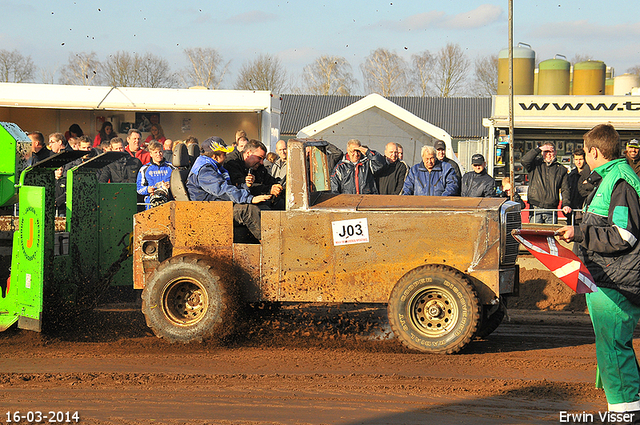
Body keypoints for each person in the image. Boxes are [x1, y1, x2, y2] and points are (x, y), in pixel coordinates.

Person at [557, 124, 640, 420]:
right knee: (613, 349)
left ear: (594, 151)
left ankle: (625, 413)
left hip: (616, 282)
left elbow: (624, 236)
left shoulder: (620, 181)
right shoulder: (611, 179)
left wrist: (579, 233)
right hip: (608, 278)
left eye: (584, 150)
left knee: (615, 351)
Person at [187, 137, 271, 241]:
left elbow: (227, 186)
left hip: (217, 204)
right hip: (209, 209)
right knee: (249, 211)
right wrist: (249, 198)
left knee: (262, 206)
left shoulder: (214, 166)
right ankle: (270, 245)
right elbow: (222, 189)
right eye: (224, 154)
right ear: (215, 156)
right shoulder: (205, 170)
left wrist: (245, 186)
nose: (227, 157)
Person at [521, 141, 571, 224]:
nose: (548, 154)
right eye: (545, 152)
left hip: (552, 209)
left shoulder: (561, 169)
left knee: (550, 235)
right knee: (535, 234)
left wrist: (566, 204)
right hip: (535, 207)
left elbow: (565, 189)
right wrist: (539, 149)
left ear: (555, 152)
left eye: (550, 151)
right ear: (542, 153)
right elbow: (524, 160)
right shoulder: (535, 165)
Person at [136, 141, 174, 209]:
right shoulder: (144, 169)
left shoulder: (172, 167)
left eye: (160, 151)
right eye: (155, 152)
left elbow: (179, 186)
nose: (158, 154)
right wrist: (148, 189)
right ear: (150, 154)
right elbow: (138, 188)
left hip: (168, 204)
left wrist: (171, 186)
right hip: (151, 205)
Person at [567, 148, 595, 225]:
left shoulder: (592, 175)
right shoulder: (571, 176)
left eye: (580, 159)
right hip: (573, 212)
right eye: (576, 159)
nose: (578, 162)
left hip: (587, 211)